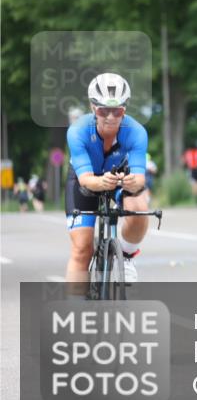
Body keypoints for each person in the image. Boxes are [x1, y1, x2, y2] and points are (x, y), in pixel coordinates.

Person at [65, 73, 150, 285]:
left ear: (125, 110)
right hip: (85, 181)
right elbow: (85, 179)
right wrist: (99, 182)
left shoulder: (137, 132)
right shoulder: (78, 131)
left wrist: (133, 183)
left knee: (139, 207)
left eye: (117, 111)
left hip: (119, 176)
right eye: (104, 110)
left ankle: (128, 256)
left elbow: (139, 178)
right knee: (82, 249)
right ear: (93, 108)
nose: (110, 117)